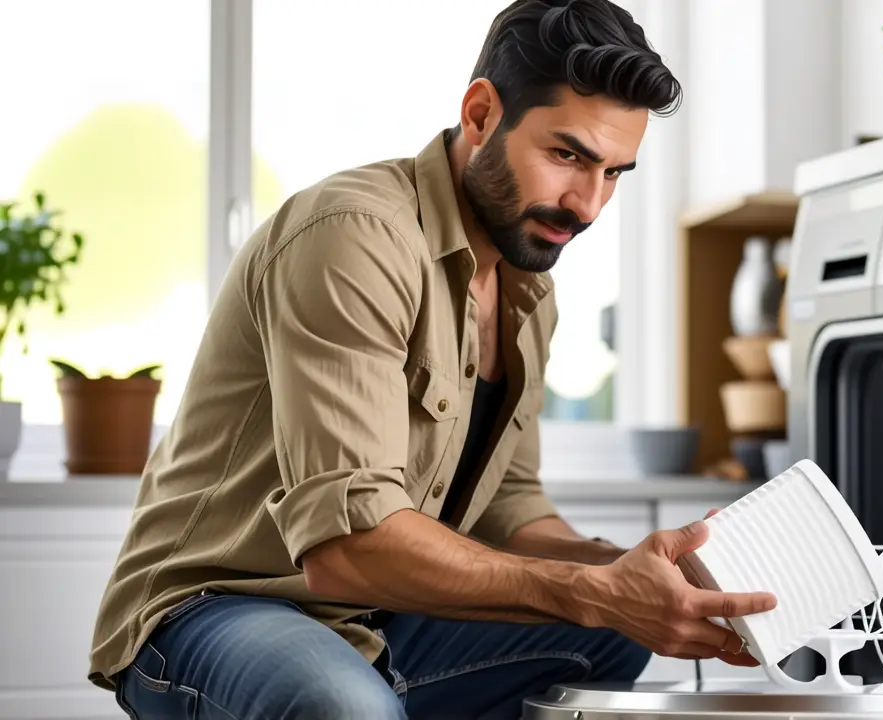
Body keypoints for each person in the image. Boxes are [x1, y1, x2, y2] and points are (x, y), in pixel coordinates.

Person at [86, 1, 777, 717]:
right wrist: (595, 592)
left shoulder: (528, 286)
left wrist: (639, 572)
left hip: (374, 616)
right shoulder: (354, 237)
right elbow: (347, 548)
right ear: (481, 115)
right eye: (567, 155)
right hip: (215, 609)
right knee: (342, 706)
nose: (588, 204)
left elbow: (509, 508)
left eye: (614, 172)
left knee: (616, 639)